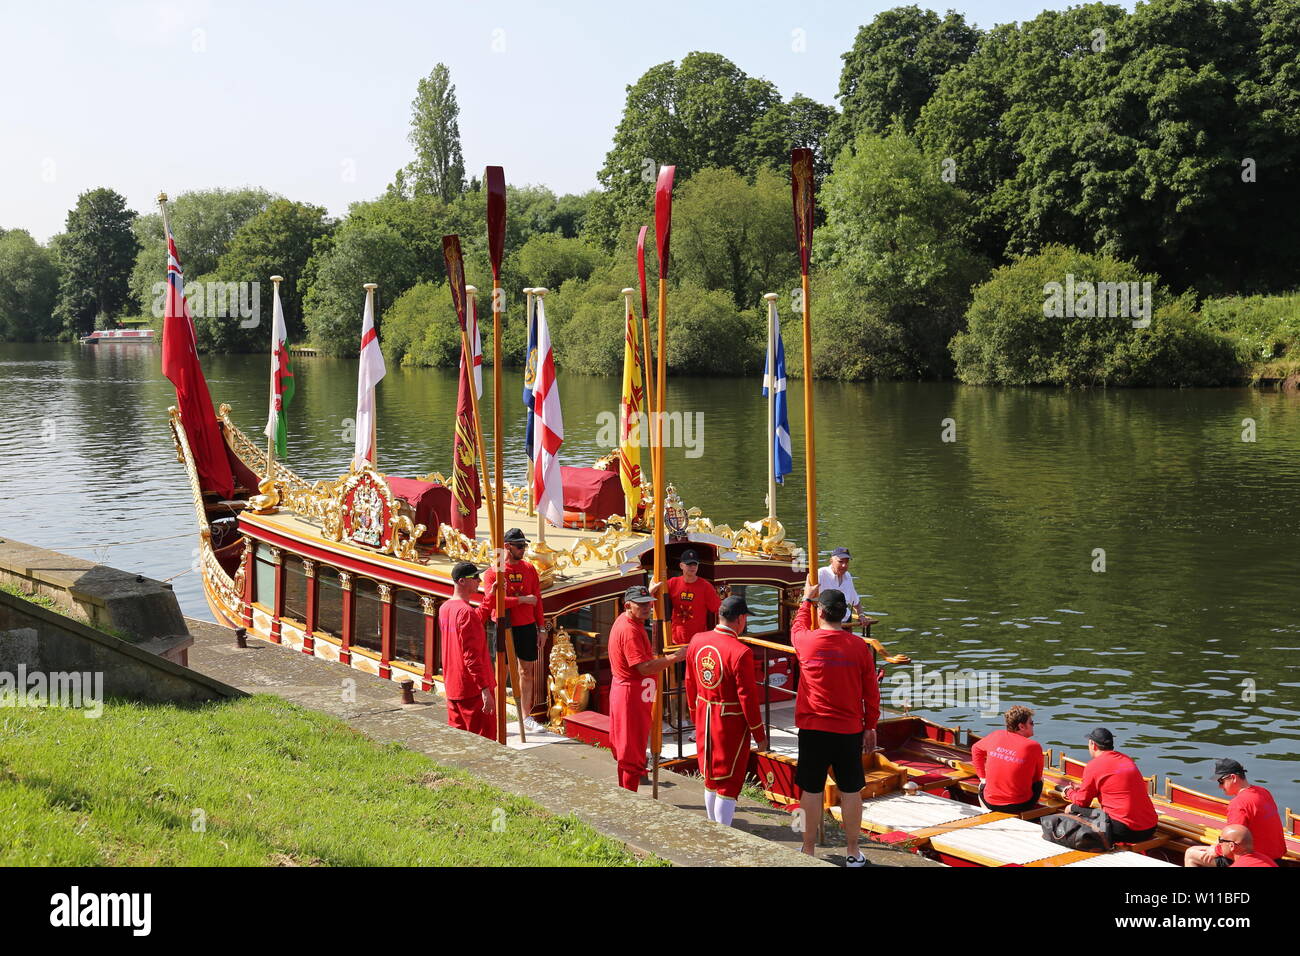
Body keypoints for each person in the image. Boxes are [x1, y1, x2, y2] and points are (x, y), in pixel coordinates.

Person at [791, 583, 879, 867]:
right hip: (848, 729)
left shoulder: (806, 642)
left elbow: (796, 626)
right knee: (851, 790)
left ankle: (807, 849)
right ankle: (853, 851)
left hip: (813, 728)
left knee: (810, 790)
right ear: (844, 616)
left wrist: (805, 599)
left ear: (821, 613)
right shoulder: (859, 647)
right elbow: (871, 693)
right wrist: (871, 725)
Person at [683, 595, 767, 826]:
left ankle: (713, 826)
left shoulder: (697, 640)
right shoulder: (741, 652)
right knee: (728, 782)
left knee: (710, 777)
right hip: (729, 724)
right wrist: (759, 734)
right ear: (740, 619)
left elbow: (689, 682)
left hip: (703, 716)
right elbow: (748, 698)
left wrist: (694, 714)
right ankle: (723, 832)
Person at [608, 584, 687, 792]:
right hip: (631, 696)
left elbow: (636, 604)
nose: (648, 608)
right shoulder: (630, 631)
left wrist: (647, 593)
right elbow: (644, 667)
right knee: (630, 752)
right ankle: (628, 798)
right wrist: (675, 657)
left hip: (634, 693)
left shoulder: (629, 619)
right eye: (642, 605)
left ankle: (632, 782)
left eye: (649, 604)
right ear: (628, 605)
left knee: (632, 746)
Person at [481, 527, 545, 734]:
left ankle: (526, 716)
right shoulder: (493, 573)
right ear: (507, 547)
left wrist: (541, 628)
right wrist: (521, 600)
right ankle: (498, 715)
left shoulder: (529, 569)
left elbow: (538, 600)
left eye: (524, 545)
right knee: (502, 673)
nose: (523, 549)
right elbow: (494, 602)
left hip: (526, 626)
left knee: (526, 671)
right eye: (519, 546)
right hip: (503, 625)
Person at [1059, 728, 1159, 843]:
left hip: (1124, 831)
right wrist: (1082, 788)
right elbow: (1115, 788)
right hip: (1150, 827)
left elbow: (1082, 802)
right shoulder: (1126, 760)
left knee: (1071, 809)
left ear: (1092, 744)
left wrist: (1068, 792)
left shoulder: (1094, 765)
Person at [1184, 758, 1287, 866]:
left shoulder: (1238, 804)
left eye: (1221, 781)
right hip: (1276, 857)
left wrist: (1216, 850)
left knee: (1191, 853)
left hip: (1255, 860)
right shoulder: (1264, 792)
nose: (1220, 786)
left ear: (1233, 778)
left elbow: (1234, 843)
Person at [437, 561, 497, 740]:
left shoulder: (445, 608)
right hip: (473, 690)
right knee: (483, 741)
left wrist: (490, 598)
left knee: (458, 741)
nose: (479, 581)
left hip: (454, 686)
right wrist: (485, 690)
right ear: (462, 581)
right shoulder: (466, 613)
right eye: (475, 577)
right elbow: (471, 657)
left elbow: (475, 621)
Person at [970, 705, 1044, 813]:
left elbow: (975, 749)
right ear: (1021, 726)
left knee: (983, 786)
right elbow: (1037, 778)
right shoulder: (1033, 746)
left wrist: (982, 777)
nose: (1033, 725)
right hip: (1019, 805)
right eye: (1031, 723)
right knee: (1040, 781)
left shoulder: (996, 735)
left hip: (989, 802)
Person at [666, 549, 721, 647]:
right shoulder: (672, 583)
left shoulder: (706, 587)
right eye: (689, 564)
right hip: (675, 640)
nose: (692, 567)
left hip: (698, 642)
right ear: (681, 566)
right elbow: (656, 602)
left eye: (695, 564)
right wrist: (652, 590)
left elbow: (717, 609)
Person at [817, 547, 862, 625]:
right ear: (831, 561)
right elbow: (809, 598)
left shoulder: (847, 576)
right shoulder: (821, 574)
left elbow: (855, 601)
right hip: (826, 624)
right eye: (840, 562)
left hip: (845, 623)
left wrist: (861, 615)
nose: (844, 565)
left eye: (847, 562)